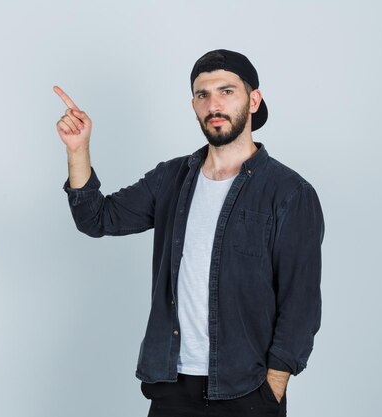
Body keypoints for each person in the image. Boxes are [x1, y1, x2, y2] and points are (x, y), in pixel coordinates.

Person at [54, 49, 324, 417]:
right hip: (171, 386)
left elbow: (301, 304)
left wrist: (272, 388)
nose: (214, 104)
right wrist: (78, 150)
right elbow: (97, 219)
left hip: (247, 391)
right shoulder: (171, 178)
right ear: (194, 106)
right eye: (203, 95)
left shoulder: (289, 193)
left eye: (227, 91)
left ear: (254, 99)